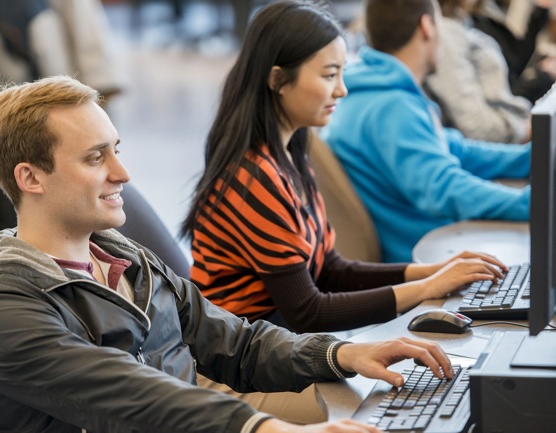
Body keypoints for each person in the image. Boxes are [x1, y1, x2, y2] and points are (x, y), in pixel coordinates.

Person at [0, 73, 457, 433]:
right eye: (95, 157)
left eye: (117, 149)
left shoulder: (125, 259)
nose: (123, 174)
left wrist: (342, 353)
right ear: (30, 178)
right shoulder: (5, 312)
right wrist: (264, 431)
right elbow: (133, 398)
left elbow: (234, 343)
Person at [181, 0, 506, 339]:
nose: (342, 89)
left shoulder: (290, 154)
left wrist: (435, 272)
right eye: (329, 75)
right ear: (278, 80)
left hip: (281, 346)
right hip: (242, 362)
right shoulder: (254, 177)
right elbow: (309, 311)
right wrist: (427, 288)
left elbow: (330, 270)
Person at [322, 0, 531, 264]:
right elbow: (445, 189)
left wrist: (532, 156)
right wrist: (532, 203)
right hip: (426, 260)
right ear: (427, 26)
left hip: (435, 248)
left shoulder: (378, 90)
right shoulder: (391, 107)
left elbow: (454, 149)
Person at [424, 0, 532, 144]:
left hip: (513, 128)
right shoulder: (446, 33)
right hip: (503, 142)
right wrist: (524, 131)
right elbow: (476, 125)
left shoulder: (467, 21)